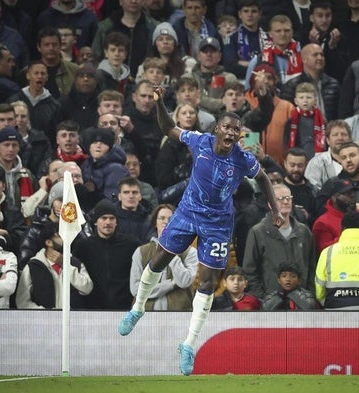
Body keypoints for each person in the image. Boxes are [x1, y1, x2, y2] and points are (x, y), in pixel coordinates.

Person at [118, 85, 283, 376]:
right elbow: (169, 128)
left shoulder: (242, 159)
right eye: (227, 127)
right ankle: (138, 308)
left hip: (218, 224)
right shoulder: (201, 141)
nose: (232, 133)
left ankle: (189, 344)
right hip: (187, 213)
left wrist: (276, 209)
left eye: (237, 130)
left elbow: (265, 180)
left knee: (207, 283)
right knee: (157, 261)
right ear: (217, 128)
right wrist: (159, 102)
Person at [243, 183, 316, 299]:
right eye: (280, 199)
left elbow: (312, 267)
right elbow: (249, 271)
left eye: (288, 198)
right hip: (270, 303)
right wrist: (263, 298)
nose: (285, 202)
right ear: (270, 204)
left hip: (301, 303)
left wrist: (309, 296)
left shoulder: (304, 231)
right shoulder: (258, 232)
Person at [73, 199, 141, 310]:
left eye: (112, 218)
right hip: (91, 309)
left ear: (116, 221)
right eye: (103, 218)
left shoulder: (132, 244)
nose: (108, 222)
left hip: (124, 308)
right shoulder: (83, 247)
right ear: (95, 221)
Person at [129, 203, 198, 311]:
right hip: (146, 315)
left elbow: (184, 282)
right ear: (155, 222)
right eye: (161, 218)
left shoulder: (190, 252)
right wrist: (171, 284)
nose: (165, 222)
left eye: (170, 218)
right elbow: (135, 290)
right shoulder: (141, 252)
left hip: (179, 315)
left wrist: (170, 251)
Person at [16, 220, 93, 309]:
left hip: (71, 320)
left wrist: (65, 264)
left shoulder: (76, 263)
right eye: (60, 236)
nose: (65, 238)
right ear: (49, 242)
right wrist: (45, 313)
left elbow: (87, 288)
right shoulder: (33, 266)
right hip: (44, 320)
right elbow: (22, 301)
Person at [305, 119, 359, 193]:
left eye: (344, 134)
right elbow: (312, 192)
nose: (340, 138)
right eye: (335, 135)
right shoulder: (316, 163)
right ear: (327, 140)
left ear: (350, 139)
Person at [279, 43, 340, 122]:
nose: (320, 58)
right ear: (304, 59)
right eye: (315, 55)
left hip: (329, 131)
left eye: (322, 55)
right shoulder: (291, 86)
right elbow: (286, 115)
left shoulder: (333, 84)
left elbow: (340, 113)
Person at [8, 60, 62, 146]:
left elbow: (55, 135)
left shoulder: (54, 105)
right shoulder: (14, 100)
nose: (40, 76)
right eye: (36, 73)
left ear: (47, 77)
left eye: (43, 73)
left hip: (42, 150)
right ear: (28, 76)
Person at [244, 14, 303, 88]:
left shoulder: (302, 58)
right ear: (270, 34)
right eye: (278, 31)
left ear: (292, 33)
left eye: (287, 30)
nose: (283, 34)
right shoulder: (257, 61)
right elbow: (248, 92)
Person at [184, 37, 238, 118]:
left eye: (213, 51)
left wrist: (198, 99)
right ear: (198, 56)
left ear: (220, 56)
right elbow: (184, 102)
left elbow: (232, 103)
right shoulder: (188, 78)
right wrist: (220, 102)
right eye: (205, 51)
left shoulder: (229, 78)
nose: (209, 54)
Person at [222, 0, 268, 80]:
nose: (249, 15)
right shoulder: (231, 38)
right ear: (240, 14)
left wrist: (245, 63)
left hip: (265, 79)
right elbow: (230, 66)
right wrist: (256, 66)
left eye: (254, 11)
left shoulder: (267, 38)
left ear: (260, 14)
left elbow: (272, 63)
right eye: (246, 11)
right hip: (240, 81)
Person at [81, 127, 128, 200]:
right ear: (89, 147)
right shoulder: (86, 164)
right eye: (94, 142)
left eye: (103, 143)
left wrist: (92, 193)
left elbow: (112, 200)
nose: (98, 146)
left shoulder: (117, 169)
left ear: (110, 147)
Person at [283, 82, 326, 162]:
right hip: (298, 161)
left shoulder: (322, 122)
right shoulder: (291, 122)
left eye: (309, 97)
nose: (305, 101)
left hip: (318, 160)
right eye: (301, 97)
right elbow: (286, 143)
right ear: (295, 101)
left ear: (315, 100)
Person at [59, 63, 102, 131]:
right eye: (81, 76)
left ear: (96, 81)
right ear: (75, 80)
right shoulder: (63, 103)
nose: (85, 79)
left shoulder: (103, 103)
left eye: (90, 76)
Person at [282, 147, 316, 224]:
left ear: (306, 165)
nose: (296, 169)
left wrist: (307, 216)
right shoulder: (277, 190)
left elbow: (319, 216)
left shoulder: (313, 191)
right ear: (285, 164)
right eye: (292, 165)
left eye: (300, 165)